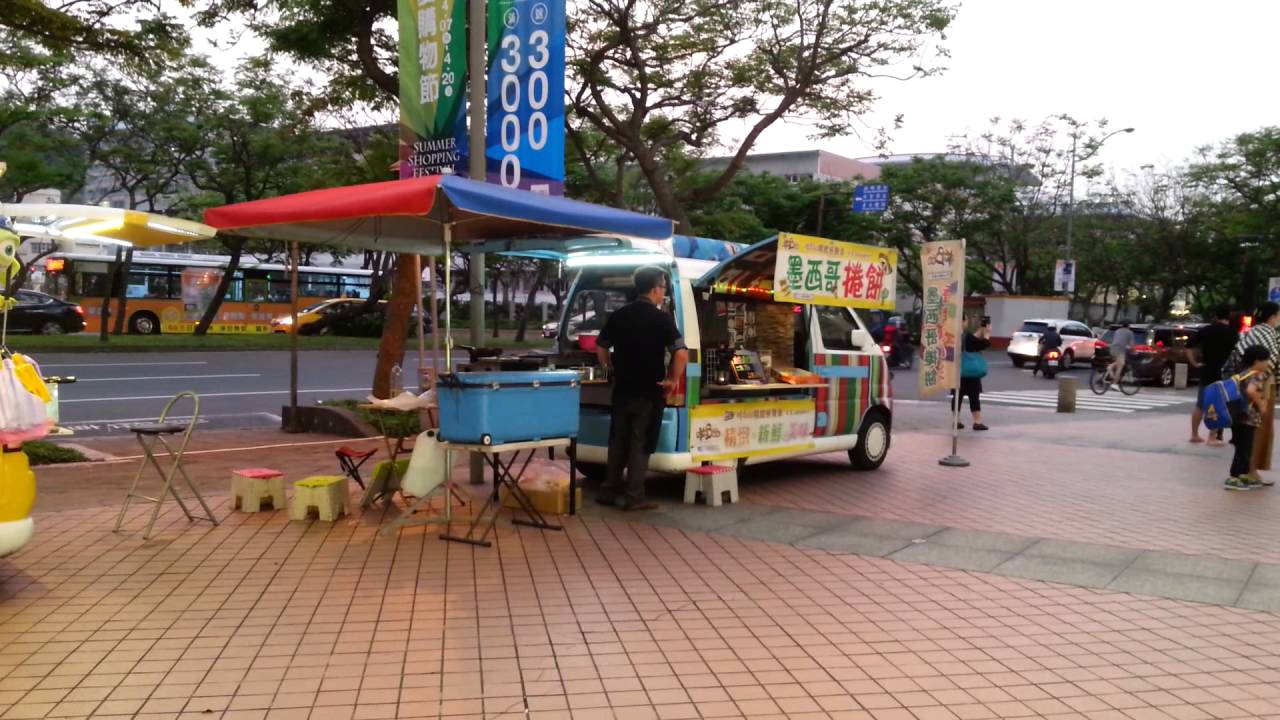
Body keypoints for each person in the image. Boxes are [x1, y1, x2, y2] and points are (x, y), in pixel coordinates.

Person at [594, 266, 688, 511]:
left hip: (622, 389)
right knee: (640, 442)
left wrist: (609, 369)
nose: (663, 292)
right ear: (655, 288)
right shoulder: (662, 319)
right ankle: (633, 496)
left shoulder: (620, 315)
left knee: (618, 440)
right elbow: (681, 353)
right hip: (649, 391)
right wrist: (671, 380)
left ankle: (609, 490)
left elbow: (601, 346)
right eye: (663, 287)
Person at [1225, 301, 1280, 482]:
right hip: (1261, 386)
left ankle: (1248, 470)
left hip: (1243, 386)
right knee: (1257, 432)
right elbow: (1271, 363)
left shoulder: (1250, 333)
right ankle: (1248, 471)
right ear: (1273, 316)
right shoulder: (1269, 334)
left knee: (1249, 435)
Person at [1224, 345, 1271, 491]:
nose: (1268, 363)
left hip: (1237, 417)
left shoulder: (1242, 374)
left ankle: (1244, 475)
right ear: (1257, 361)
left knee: (1244, 447)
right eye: (1266, 360)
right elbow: (1251, 391)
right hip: (1248, 418)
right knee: (1244, 449)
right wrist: (1261, 404)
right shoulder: (1257, 374)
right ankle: (1233, 478)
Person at [1190, 305, 1237, 445]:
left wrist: (1194, 362)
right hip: (1224, 372)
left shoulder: (1205, 330)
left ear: (1215, 316)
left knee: (1200, 404)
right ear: (1229, 316)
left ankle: (1194, 434)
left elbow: (1188, 346)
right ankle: (1212, 437)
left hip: (1206, 370)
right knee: (1218, 404)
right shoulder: (1233, 333)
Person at [953, 318, 991, 430]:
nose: (967, 322)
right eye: (966, 320)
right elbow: (982, 345)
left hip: (956, 371)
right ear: (962, 321)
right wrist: (987, 334)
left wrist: (980, 331)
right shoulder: (967, 336)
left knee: (957, 396)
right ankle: (977, 422)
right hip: (970, 373)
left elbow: (973, 341)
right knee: (974, 396)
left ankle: (956, 421)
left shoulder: (953, 335)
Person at [1107, 321, 1136, 386]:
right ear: (1128, 326)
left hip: (1112, 349)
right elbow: (1132, 345)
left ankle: (1110, 367)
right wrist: (1134, 351)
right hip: (1120, 350)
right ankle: (1114, 384)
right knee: (1120, 366)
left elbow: (1116, 340)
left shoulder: (1117, 331)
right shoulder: (1129, 332)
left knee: (1119, 362)